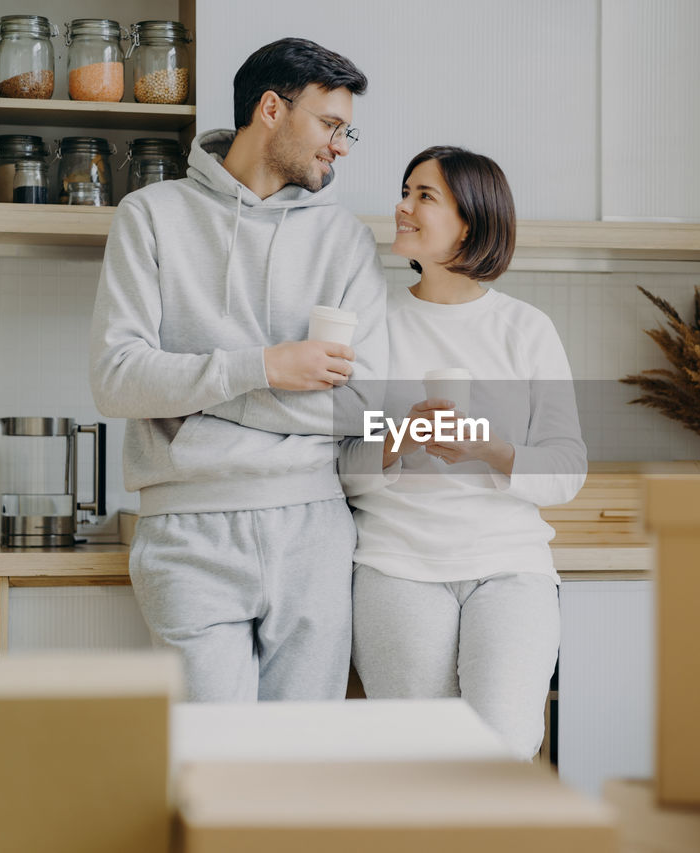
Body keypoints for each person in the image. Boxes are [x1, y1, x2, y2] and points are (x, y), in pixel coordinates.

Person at [89, 38, 387, 702]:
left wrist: (189, 391)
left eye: (347, 130)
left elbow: (366, 405)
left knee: (302, 774)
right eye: (330, 125)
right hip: (187, 533)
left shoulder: (345, 241)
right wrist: (267, 366)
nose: (341, 146)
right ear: (272, 109)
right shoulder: (151, 218)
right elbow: (116, 378)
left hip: (313, 527)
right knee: (211, 767)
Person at [339, 146, 586, 759]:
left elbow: (566, 466)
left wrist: (493, 449)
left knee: (503, 748)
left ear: (470, 220)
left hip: (509, 566)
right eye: (406, 191)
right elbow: (339, 466)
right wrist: (397, 438)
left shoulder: (526, 329)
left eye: (425, 195)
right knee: (419, 756)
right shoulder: (372, 326)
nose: (402, 206)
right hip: (397, 565)